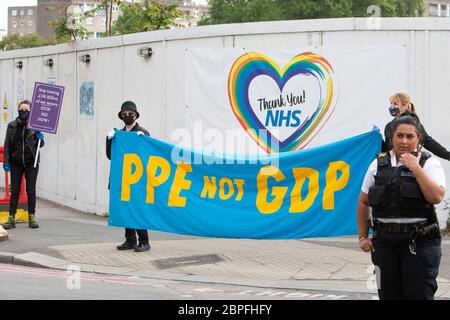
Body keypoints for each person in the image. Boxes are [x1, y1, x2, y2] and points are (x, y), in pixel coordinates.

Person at [357, 114, 446, 300]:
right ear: (392, 137)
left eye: (409, 136)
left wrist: (416, 168)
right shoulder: (377, 164)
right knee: (386, 295)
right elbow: (363, 201)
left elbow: (436, 196)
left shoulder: (429, 163)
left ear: (418, 139)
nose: (404, 141)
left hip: (419, 243)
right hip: (384, 245)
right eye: (399, 136)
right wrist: (363, 237)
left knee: (418, 296)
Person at [106, 101, 151, 253]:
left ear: (136, 115)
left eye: (130, 114)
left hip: (137, 179)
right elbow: (110, 155)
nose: (127, 116)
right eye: (124, 114)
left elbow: (148, 154)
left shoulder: (142, 132)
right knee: (126, 208)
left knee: (138, 209)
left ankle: (144, 240)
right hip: (123, 178)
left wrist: (144, 140)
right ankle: (130, 239)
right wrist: (109, 140)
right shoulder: (119, 135)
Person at [2, 100, 44, 230]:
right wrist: (6, 161)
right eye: (22, 109)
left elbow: (40, 146)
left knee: (30, 190)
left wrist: (40, 137)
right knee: (14, 190)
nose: (24, 112)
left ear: (31, 112)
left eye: (27, 110)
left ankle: (32, 217)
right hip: (16, 163)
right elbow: (7, 145)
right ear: (18, 110)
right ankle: (11, 218)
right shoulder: (12, 126)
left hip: (32, 162)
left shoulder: (35, 127)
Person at [383, 92, 450, 161]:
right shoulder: (388, 126)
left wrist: (447, 155)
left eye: (395, 104)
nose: (391, 106)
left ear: (405, 106)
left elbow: (428, 142)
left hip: (409, 163)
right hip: (392, 165)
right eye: (391, 103)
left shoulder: (413, 124)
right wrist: (378, 139)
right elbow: (388, 149)